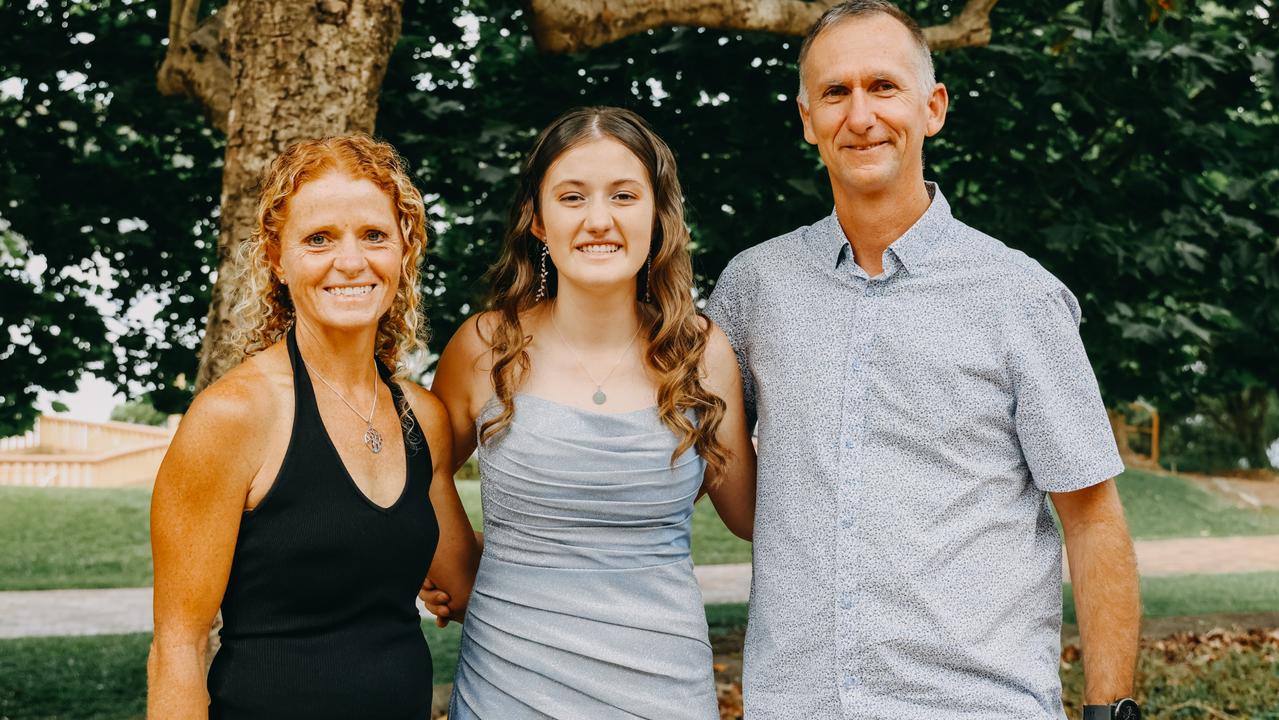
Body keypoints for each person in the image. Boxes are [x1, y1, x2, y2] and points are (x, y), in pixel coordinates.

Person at [705, 3, 1142, 719]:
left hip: (974, 704)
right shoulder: (754, 289)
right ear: (806, 118)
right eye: (835, 92)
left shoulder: (1017, 296)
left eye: (883, 86)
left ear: (931, 108)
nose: (860, 114)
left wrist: (1109, 710)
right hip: (796, 703)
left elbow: (1092, 520)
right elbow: (679, 449)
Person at [431, 106, 756, 718]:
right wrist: (455, 564)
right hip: (509, 687)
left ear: (658, 217)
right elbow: (406, 471)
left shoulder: (702, 353)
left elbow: (750, 516)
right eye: (572, 196)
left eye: (624, 195)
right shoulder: (485, 346)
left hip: (664, 691)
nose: (598, 220)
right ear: (536, 218)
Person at [147, 135, 480, 720]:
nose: (350, 262)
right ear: (277, 257)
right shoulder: (235, 416)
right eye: (319, 239)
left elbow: (464, 583)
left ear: (405, 248)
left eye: (374, 235)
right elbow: (179, 645)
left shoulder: (420, 416)